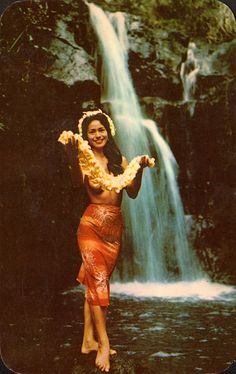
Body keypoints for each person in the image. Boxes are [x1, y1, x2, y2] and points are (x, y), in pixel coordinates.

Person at [59, 109, 154, 372]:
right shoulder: (84, 160)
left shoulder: (119, 160)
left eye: (101, 129)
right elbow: (75, 184)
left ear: (108, 131)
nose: (98, 134)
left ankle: (87, 340)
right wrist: (70, 153)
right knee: (99, 283)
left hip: (114, 230)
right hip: (90, 226)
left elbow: (132, 193)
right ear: (86, 136)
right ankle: (103, 344)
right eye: (92, 131)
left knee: (95, 282)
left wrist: (141, 168)